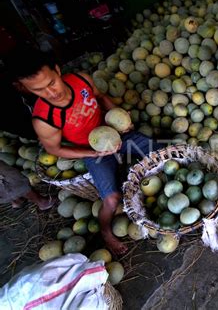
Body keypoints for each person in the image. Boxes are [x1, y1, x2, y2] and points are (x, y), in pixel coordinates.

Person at [7, 47, 164, 255]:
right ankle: (106, 233)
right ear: (27, 89)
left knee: (161, 151)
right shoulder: (44, 119)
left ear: (57, 70)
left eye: (51, 83)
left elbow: (101, 96)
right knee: (111, 199)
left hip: (114, 133)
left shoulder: (80, 81)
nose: (51, 92)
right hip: (93, 150)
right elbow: (56, 149)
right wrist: (92, 154)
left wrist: (118, 115)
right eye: (39, 90)